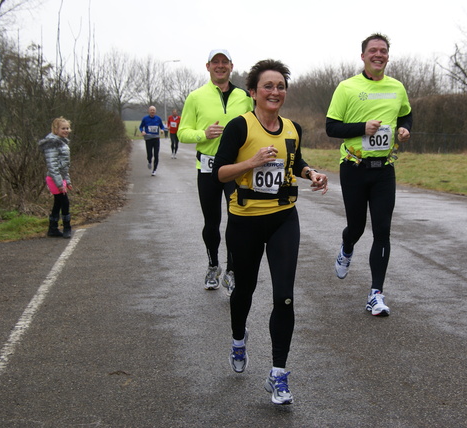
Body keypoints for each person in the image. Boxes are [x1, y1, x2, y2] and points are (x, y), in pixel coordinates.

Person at [212, 59, 328, 405]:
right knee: (244, 291)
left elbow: (297, 161)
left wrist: (312, 174)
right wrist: (251, 163)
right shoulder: (239, 127)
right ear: (253, 92)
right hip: (245, 220)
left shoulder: (292, 128)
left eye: (280, 86)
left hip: (282, 219)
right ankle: (237, 338)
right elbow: (220, 173)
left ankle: (278, 374)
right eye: (268, 86)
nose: (275, 91)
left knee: (284, 295)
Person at [326, 33, 413, 317]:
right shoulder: (347, 87)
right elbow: (331, 128)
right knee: (357, 227)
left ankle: (376, 294)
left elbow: (406, 114)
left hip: (384, 170)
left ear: (388, 56)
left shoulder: (397, 87)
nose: (379, 54)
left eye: (384, 50)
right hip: (353, 167)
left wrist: (404, 129)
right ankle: (347, 246)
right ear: (363, 56)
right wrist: (362, 128)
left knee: (382, 230)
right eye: (373, 50)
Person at [178, 49, 254, 293]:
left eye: (224, 62)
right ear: (208, 66)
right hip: (208, 168)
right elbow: (182, 132)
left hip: (236, 168)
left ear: (231, 66)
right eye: (215, 62)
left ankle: (231, 272)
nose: (220, 66)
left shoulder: (244, 96)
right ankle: (213, 265)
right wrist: (203, 134)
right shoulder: (196, 97)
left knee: (237, 222)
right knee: (212, 222)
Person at [38, 117, 73, 239]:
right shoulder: (52, 144)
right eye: (63, 128)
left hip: (59, 177)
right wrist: (60, 184)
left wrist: (67, 181)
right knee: (65, 202)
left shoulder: (62, 142)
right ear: (55, 129)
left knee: (58, 203)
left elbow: (64, 166)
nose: (66, 130)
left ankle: (52, 229)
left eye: (67, 128)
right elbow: (52, 166)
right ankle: (67, 228)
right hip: (54, 178)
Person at [139, 106, 165, 176]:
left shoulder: (158, 119)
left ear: (155, 111)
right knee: (149, 154)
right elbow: (141, 126)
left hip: (156, 138)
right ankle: (149, 161)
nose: (152, 111)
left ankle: (154, 170)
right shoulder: (145, 118)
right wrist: (142, 131)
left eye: (153, 110)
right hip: (148, 138)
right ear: (149, 111)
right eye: (151, 110)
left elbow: (162, 126)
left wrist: (162, 130)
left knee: (156, 154)